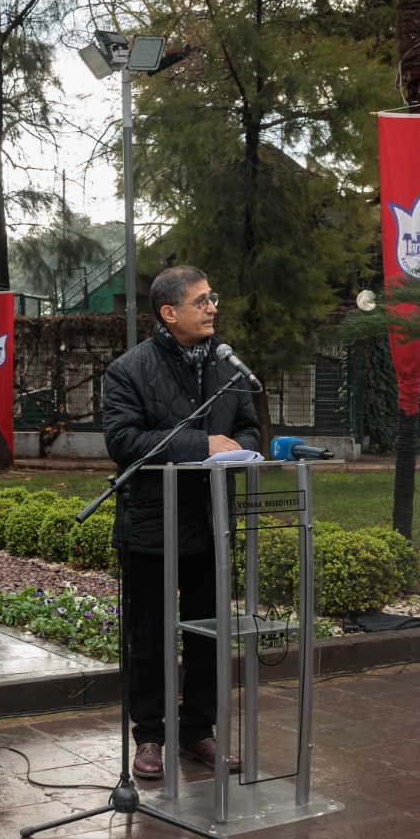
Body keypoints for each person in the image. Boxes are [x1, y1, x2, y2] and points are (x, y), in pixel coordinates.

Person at [102, 265, 261, 780]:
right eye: (201, 300)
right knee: (149, 636)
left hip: (212, 521)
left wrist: (243, 448)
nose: (213, 307)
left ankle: (198, 732)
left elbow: (249, 427)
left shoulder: (228, 365)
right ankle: (149, 734)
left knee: (209, 634)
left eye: (213, 297)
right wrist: (200, 444)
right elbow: (123, 442)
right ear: (170, 313)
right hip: (153, 524)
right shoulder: (129, 370)